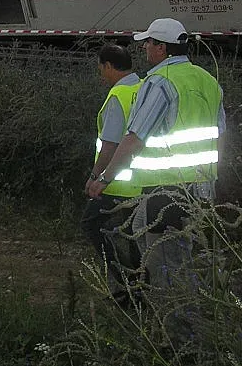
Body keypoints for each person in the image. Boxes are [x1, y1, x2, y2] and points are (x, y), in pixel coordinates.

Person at [87, 18, 225, 289]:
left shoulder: (159, 82)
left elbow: (135, 138)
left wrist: (104, 178)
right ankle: (172, 297)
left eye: (148, 43)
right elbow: (221, 135)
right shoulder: (208, 80)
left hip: (166, 188)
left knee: (167, 266)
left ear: (161, 48)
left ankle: (180, 322)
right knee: (156, 239)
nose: (145, 49)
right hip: (203, 187)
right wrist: (213, 178)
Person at [81, 44, 142, 303]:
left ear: (108, 66)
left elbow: (110, 145)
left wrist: (96, 176)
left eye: (100, 68)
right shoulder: (144, 86)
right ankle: (140, 287)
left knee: (91, 224)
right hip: (144, 180)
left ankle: (126, 283)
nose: (101, 74)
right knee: (134, 234)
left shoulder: (118, 95)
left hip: (118, 182)